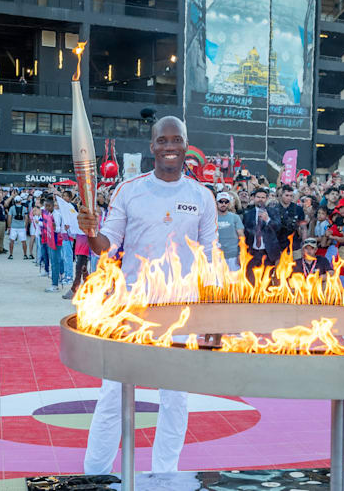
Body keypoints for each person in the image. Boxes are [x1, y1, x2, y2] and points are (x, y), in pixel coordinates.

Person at [77, 115, 217, 475]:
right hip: (133, 307)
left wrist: (214, 317)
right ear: (152, 145)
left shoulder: (202, 197)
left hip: (182, 311)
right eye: (163, 141)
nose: (170, 147)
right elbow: (106, 246)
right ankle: (94, 473)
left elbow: (210, 258)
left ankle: (165, 474)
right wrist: (91, 231)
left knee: (175, 398)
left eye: (176, 140)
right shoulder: (130, 190)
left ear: (187, 145)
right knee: (114, 395)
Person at [242, 188, 281, 282]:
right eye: (258, 197)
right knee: (251, 280)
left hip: (268, 252)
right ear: (253, 198)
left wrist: (268, 219)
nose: (260, 199)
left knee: (266, 281)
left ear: (267, 198)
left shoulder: (273, 212)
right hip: (252, 252)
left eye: (263, 197)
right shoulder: (248, 213)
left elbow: (278, 227)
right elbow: (245, 234)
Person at [215, 191, 244, 271]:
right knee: (218, 283)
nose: (223, 204)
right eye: (221, 201)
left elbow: (241, 236)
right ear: (216, 203)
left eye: (226, 202)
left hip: (233, 257)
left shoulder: (235, 217)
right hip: (217, 257)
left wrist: (241, 253)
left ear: (229, 203)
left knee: (234, 283)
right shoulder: (212, 218)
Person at [8, 195, 29, 259]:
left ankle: (11, 255)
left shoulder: (12, 208)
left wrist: (9, 226)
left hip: (14, 226)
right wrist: (25, 226)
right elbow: (26, 218)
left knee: (12, 241)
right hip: (21, 227)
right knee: (24, 241)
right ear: (20, 201)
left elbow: (9, 218)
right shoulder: (24, 208)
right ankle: (25, 255)